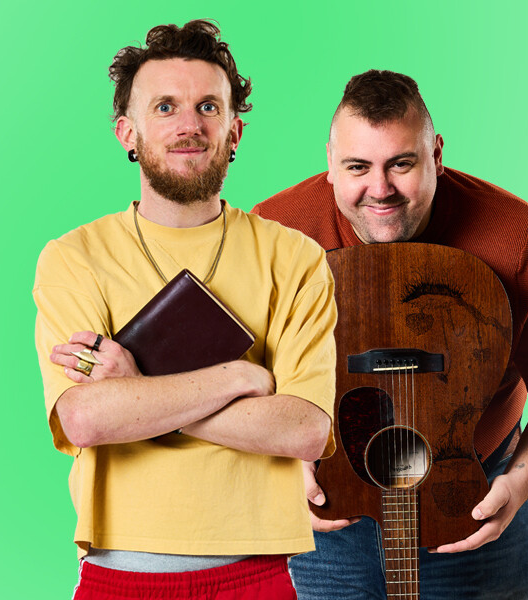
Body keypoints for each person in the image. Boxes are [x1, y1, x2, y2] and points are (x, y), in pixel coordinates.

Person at [253, 69, 528, 599]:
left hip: (471, 501)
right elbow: (233, 384)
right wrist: (275, 467)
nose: (380, 189)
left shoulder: (517, 241)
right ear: (329, 162)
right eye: (357, 167)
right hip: (326, 517)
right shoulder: (274, 236)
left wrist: (517, 484)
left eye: (401, 163)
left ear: (436, 154)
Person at [33, 20, 337, 599]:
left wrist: (137, 389)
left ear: (234, 131)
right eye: (166, 106)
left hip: (257, 572)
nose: (189, 125)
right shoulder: (74, 258)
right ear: (128, 131)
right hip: (118, 575)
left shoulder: (294, 257)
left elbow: (304, 428)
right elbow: (86, 419)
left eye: (207, 107)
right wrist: (240, 377)